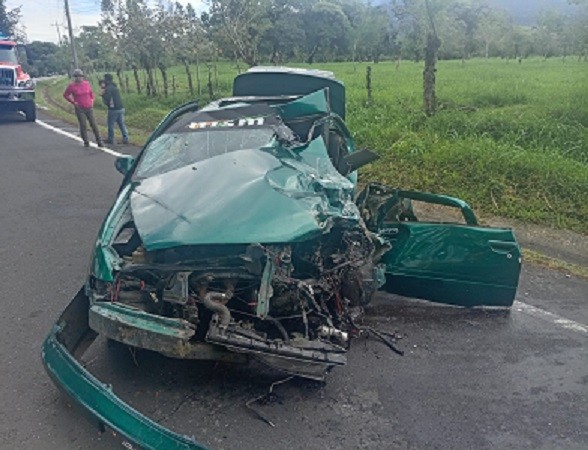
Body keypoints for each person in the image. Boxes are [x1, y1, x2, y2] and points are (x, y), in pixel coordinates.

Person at [63, 69, 103, 147]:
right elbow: (66, 95)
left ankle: (99, 141)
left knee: (94, 124)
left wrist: (92, 101)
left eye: (80, 76)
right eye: (77, 76)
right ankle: (86, 141)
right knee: (83, 124)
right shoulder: (72, 86)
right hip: (80, 108)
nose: (79, 78)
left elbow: (91, 93)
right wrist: (73, 102)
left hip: (89, 107)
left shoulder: (86, 84)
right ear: (75, 77)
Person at [101, 73, 129, 144]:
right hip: (121, 108)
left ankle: (111, 139)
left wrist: (102, 94)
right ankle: (126, 138)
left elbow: (107, 99)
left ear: (106, 80)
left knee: (110, 124)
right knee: (121, 124)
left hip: (113, 109)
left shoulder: (108, 88)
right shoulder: (114, 86)